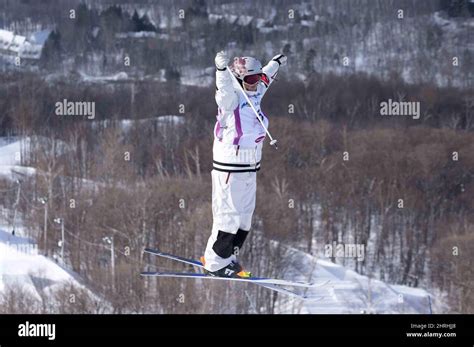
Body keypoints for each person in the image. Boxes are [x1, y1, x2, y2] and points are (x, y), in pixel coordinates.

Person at [201, 51, 287, 278]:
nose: (256, 83)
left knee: (245, 216)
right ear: (239, 79)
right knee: (227, 216)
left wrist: (275, 63)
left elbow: (266, 77)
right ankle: (214, 261)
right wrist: (221, 71)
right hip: (230, 165)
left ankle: (228, 257)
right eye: (250, 80)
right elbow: (223, 92)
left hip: (250, 166)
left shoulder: (255, 90)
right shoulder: (232, 98)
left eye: (257, 78)